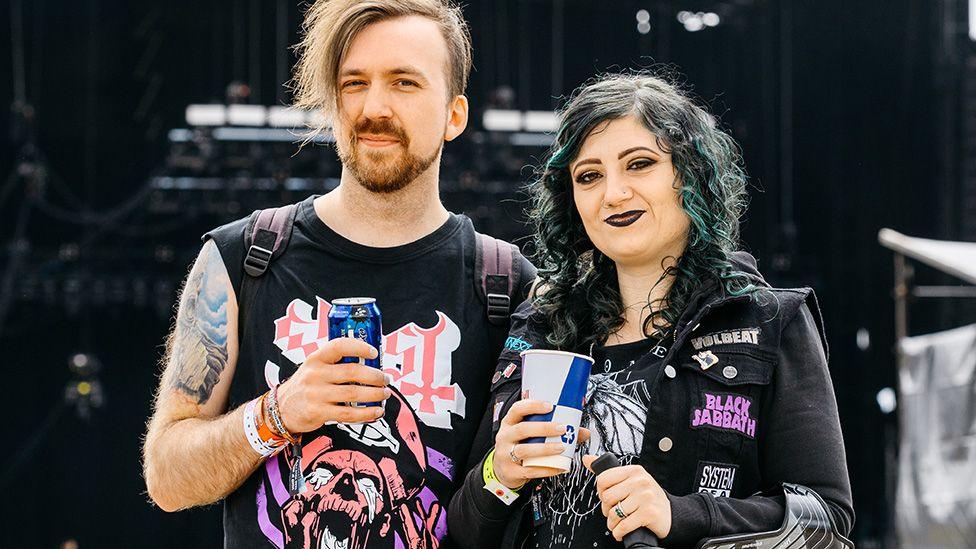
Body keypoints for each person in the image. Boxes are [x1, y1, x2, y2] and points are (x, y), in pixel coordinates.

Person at [141, 1, 535, 548]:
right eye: (355, 83)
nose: (374, 106)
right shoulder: (241, 259)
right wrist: (276, 414)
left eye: (404, 83)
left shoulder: (507, 283)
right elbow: (166, 479)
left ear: (455, 115)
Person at [447, 73, 854, 549]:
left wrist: (681, 515)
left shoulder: (767, 320)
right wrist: (501, 473)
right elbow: (463, 530)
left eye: (639, 164)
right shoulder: (539, 324)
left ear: (691, 173)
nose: (613, 194)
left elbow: (826, 523)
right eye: (589, 175)